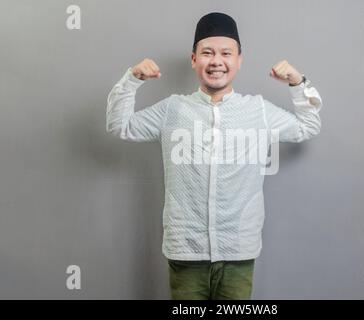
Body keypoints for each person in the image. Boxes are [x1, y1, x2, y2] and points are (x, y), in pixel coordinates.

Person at [106, 12, 323, 300]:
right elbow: (120, 125)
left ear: (239, 60)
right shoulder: (173, 109)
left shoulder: (257, 110)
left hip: (239, 250)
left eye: (226, 53)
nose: (216, 61)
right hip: (185, 249)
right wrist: (132, 79)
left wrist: (299, 83)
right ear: (194, 59)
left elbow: (309, 126)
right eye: (207, 53)